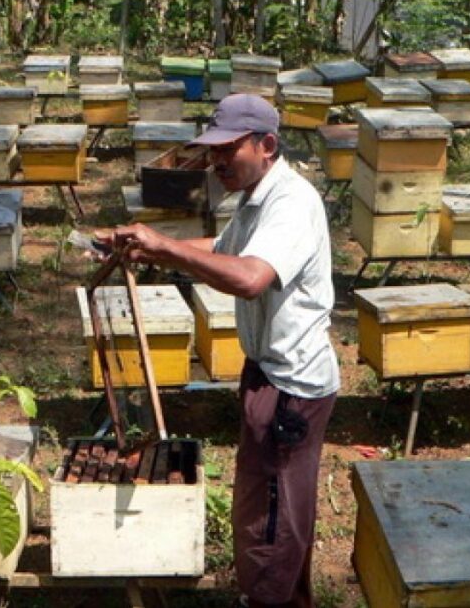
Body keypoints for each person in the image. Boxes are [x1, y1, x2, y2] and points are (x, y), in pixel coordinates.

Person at [102, 94, 340, 608]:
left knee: (270, 520)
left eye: (227, 149)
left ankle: (268, 599)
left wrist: (165, 248)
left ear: (267, 144)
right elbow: (225, 251)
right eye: (212, 151)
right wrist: (155, 244)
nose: (216, 162)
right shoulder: (257, 197)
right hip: (270, 376)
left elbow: (251, 277)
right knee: (276, 509)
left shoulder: (291, 203)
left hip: (290, 386)